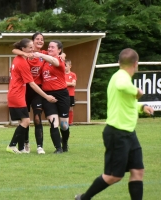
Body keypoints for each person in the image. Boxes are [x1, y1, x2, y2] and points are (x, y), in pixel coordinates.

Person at [74, 48, 154, 200]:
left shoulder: (122, 77)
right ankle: (83, 198)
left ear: (119, 62)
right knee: (113, 176)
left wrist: (142, 107)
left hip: (129, 133)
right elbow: (123, 86)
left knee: (138, 171)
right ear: (136, 64)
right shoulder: (121, 77)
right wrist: (138, 91)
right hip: (117, 133)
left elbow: (128, 102)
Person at [6, 38, 57, 154]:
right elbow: (32, 84)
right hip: (17, 94)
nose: (32, 49)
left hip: (15, 93)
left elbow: (16, 51)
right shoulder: (22, 63)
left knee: (24, 121)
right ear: (23, 49)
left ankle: (21, 148)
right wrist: (46, 96)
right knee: (26, 121)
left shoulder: (18, 58)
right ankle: (12, 145)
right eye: (30, 47)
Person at [12, 32, 47, 154]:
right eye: (37, 39)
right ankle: (26, 143)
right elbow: (14, 51)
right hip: (25, 89)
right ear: (32, 41)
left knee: (37, 118)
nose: (40, 41)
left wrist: (62, 54)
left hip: (37, 89)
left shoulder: (43, 54)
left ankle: (39, 146)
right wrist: (26, 53)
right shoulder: (24, 55)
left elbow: (56, 55)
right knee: (24, 119)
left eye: (42, 39)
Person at [33, 40, 70, 153]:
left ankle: (64, 143)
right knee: (53, 122)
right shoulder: (45, 59)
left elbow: (54, 61)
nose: (49, 49)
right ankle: (58, 148)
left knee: (64, 125)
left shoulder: (59, 60)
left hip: (62, 94)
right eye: (48, 47)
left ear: (59, 50)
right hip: (48, 95)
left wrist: (41, 55)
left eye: (52, 47)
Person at [65, 59, 77, 126]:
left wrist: (66, 83)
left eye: (66, 65)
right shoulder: (61, 74)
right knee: (63, 108)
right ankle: (64, 122)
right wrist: (70, 83)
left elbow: (73, 84)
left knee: (70, 108)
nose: (64, 67)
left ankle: (70, 122)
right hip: (63, 94)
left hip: (71, 94)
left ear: (70, 66)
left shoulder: (73, 74)